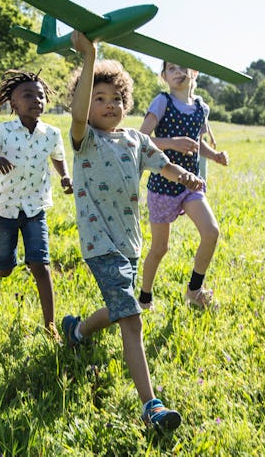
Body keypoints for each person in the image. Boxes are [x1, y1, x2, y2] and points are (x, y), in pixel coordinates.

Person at [62, 31, 205, 430]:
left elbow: (164, 165)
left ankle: (77, 330)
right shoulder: (84, 138)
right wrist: (90, 56)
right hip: (98, 242)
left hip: (128, 242)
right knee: (132, 318)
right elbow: (76, 114)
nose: (109, 105)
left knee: (121, 305)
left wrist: (185, 177)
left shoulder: (135, 139)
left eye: (117, 99)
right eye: (99, 98)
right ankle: (152, 405)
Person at [0, 69, 73, 341]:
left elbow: (58, 157)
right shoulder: (2, 131)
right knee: (7, 266)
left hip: (35, 209)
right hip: (5, 210)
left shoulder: (51, 133)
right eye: (28, 95)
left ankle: (49, 325)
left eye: (40, 95)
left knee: (40, 265)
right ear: (13, 103)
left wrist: (64, 175)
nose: (36, 100)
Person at [138, 61, 229, 311]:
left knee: (211, 232)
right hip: (163, 185)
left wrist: (214, 156)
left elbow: (197, 143)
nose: (179, 72)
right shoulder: (162, 102)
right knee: (160, 248)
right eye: (172, 68)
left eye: (184, 67)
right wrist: (172, 142)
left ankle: (194, 290)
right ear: (164, 76)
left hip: (191, 183)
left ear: (195, 71)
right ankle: (144, 299)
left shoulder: (202, 107)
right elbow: (141, 140)